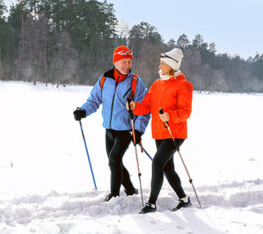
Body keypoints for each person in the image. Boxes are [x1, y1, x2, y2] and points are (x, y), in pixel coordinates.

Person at [73, 46, 150, 202]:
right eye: (123, 62)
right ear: (115, 62)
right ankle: (130, 189)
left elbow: (144, 110)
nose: (127, 65)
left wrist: (139, 131)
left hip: (126, 130)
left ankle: (114, 194)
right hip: (109, 129)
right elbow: (94, 100)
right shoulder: (104, 79)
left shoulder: (135, 82)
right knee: (116, 162)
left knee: (114, 160)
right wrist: (83, 111)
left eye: (129, 61)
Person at [128, 48, 193, 214]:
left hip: (175, 133)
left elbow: (186, 112)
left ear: (171, 66)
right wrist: (135, 107)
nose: (160, 65)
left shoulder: (184, 85)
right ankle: (184, 199)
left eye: (163, 63)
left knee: (157, 163)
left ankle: (151, 204)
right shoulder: (157, 84)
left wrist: (169, 116)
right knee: (167, 168)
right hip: (159, 133)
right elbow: (147, 105)